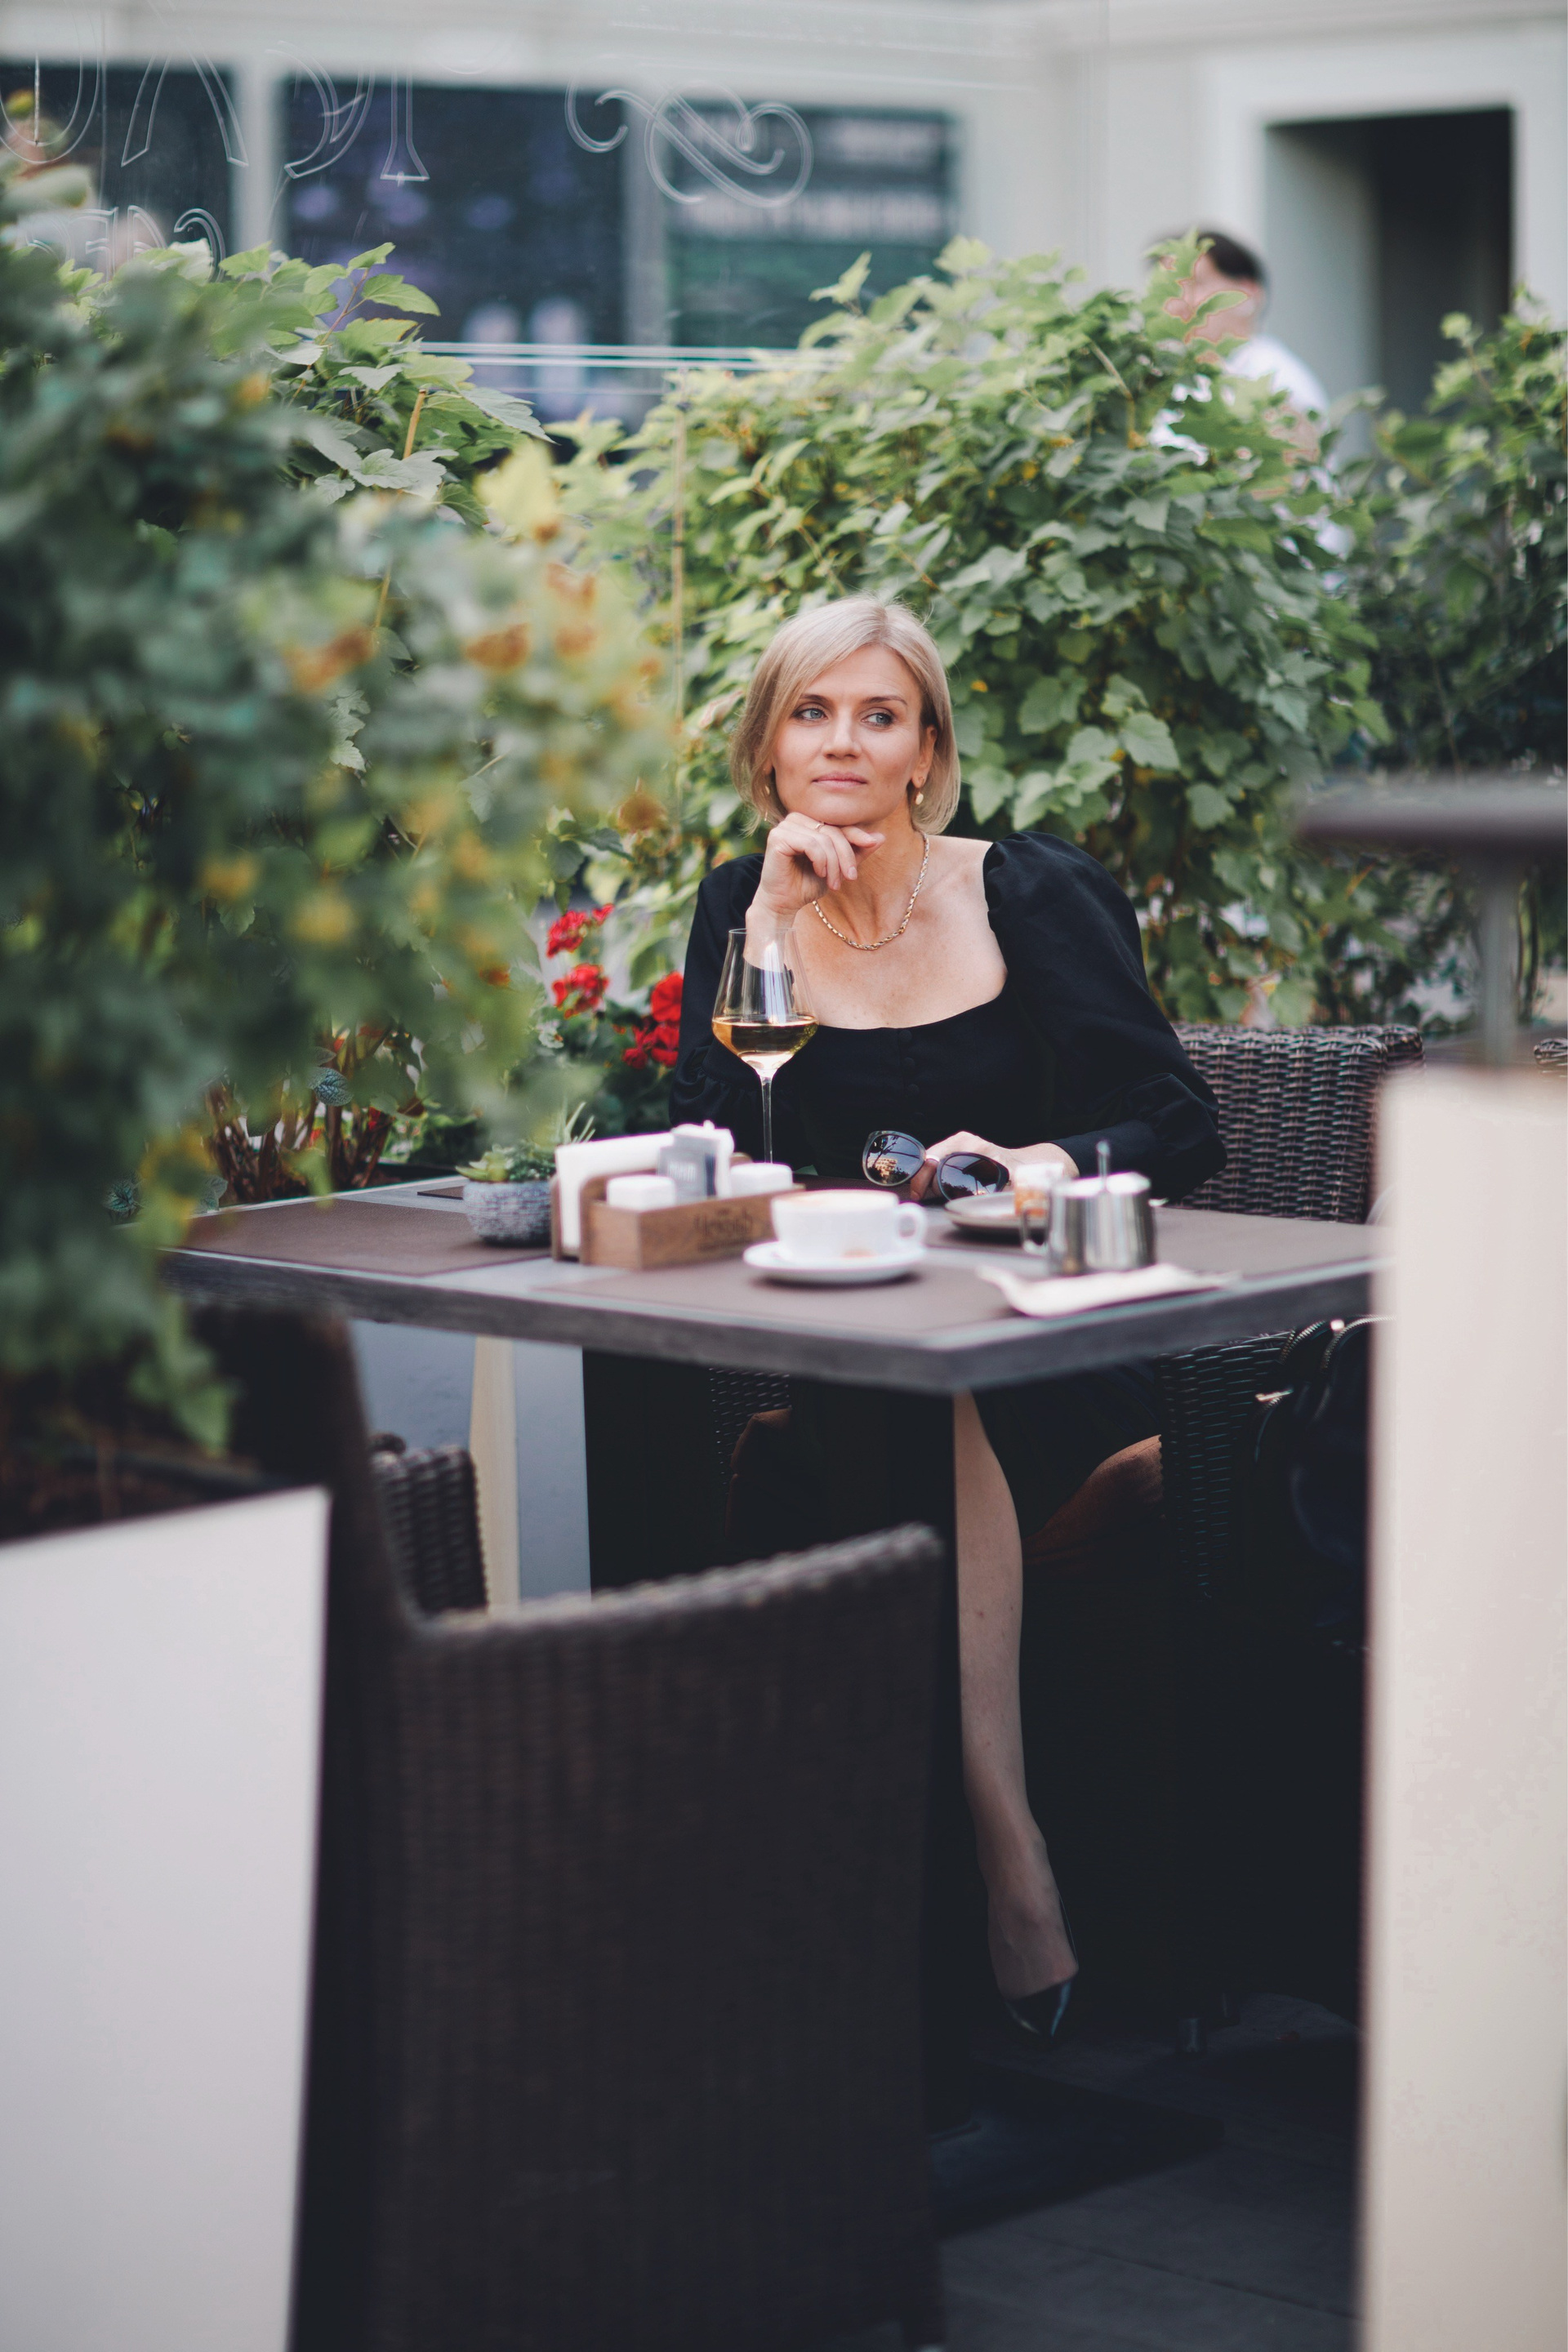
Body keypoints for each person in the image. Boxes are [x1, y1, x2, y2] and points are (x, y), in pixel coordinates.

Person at [670, 596, 1224, 2037]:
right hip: (855, 1350)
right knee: (905, 1386)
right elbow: (708, 1148)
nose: (842, 743)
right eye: (811, 713)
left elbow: (1178, 1121)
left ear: (927, 750)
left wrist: (1045, 1161)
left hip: (1055, 1340)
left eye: (880, 715)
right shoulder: (741, 905)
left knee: (942, 1384)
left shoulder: (1024, 892)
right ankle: (992, 1863)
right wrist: (772, 927)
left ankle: (1005, 1861)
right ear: (769, 747)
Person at [1165, 228, 1329, 451]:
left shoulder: (1278, 380)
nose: (1179, 302)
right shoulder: (1162, 380)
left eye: (1196, 284)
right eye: (1170, 288)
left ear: (1248, 292)